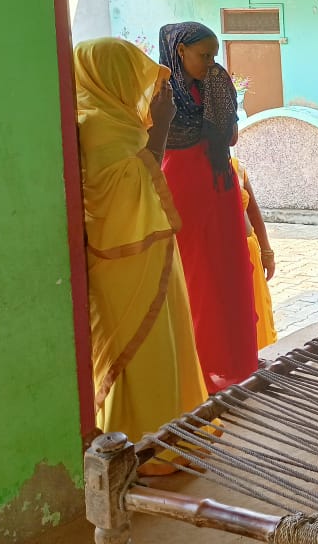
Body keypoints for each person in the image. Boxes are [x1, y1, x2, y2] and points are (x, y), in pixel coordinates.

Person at [74, 37, 207, 474]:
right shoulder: (96, 126)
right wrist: (162, 125)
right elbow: (136, 184)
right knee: (141, 355)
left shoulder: (111, 119)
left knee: (160, 350)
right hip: (124, 263)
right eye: (132, 78)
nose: (142, 92)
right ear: (111, 78)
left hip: (144, 253)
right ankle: (143, 449)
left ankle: (165, 438)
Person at [159, 21, 258, 392]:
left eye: (214, 55)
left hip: (219, 186)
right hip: (181, 190)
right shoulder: (159, 90)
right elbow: (152, 146)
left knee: (228, 274)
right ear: (180, 51)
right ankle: (200, 373)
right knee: (196, 279)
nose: (210, 62)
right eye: (204, 55)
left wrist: (221, 95)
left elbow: (230, 138)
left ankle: (236, 366)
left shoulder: (213, 82)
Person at [231, 157, 278, 351]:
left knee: (258, 318)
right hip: (223, 258)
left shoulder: (236, 166)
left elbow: (253, 211)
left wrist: (267, 252)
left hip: (250, 253)